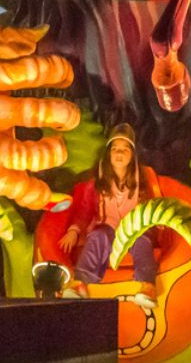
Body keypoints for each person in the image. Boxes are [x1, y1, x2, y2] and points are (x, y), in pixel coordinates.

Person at [58, 123, 161, 309]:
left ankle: (148, 286)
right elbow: (84, 210)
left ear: (132, 155)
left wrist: (158, 224)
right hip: (108, 227)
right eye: (115, 149)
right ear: (108, 154)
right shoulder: (97, 182)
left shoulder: (143, 182)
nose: (119, 154)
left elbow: (153, 208)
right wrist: (74, 230)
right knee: (98, 236)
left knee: (141, 241)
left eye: (124, 149)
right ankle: (80, 282)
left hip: (135, 229)